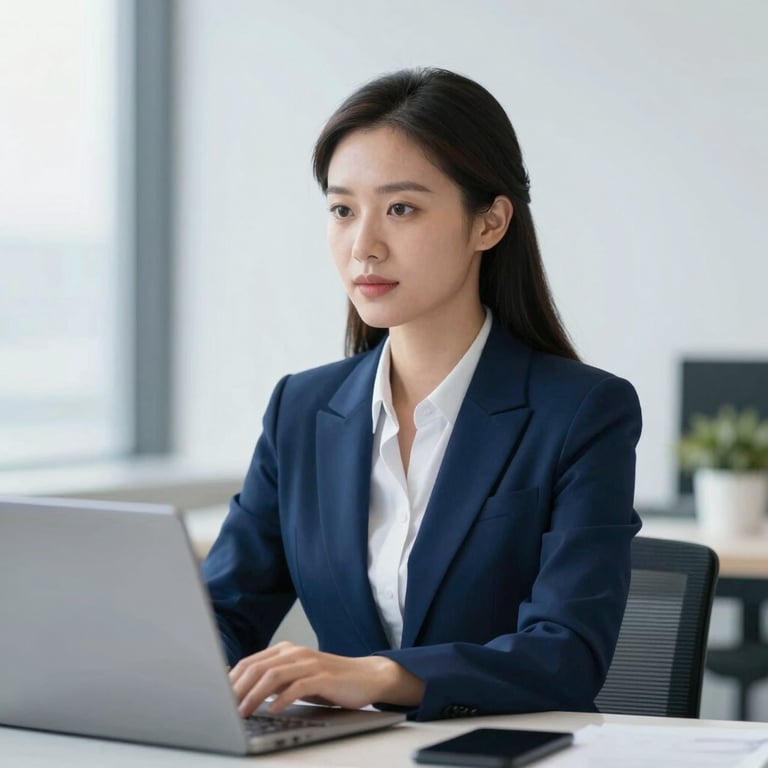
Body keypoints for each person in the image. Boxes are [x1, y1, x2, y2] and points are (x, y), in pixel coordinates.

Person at [202, 67, 642, 722]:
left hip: (500, 754)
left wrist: (380, 676)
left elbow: (566, 654)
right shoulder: (301, 409)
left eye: (400, 209)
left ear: (489, 223)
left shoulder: (582, 413)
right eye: (343, 210)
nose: (364, 246)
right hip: (343, 758)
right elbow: (222, 611)